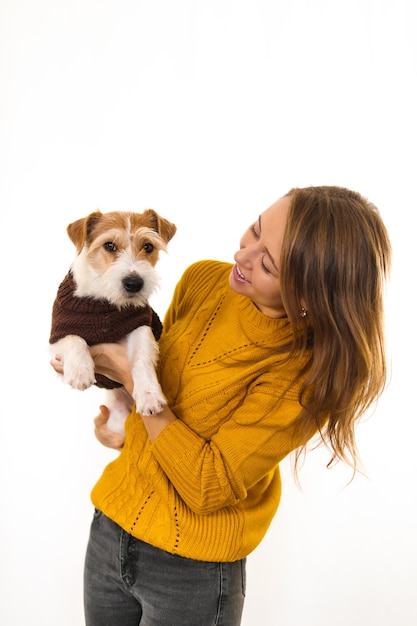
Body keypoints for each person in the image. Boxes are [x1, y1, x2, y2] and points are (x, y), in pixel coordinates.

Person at [52, 185, 391, 626]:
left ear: (310, 296)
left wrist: (133, 381)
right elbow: (165, 397)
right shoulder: (202, 281)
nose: (242, 255)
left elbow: (206, 486)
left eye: (267, 262)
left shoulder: (306, 375)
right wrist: (123, 433)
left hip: (191, 572)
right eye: (254, 229)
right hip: (110, 528)